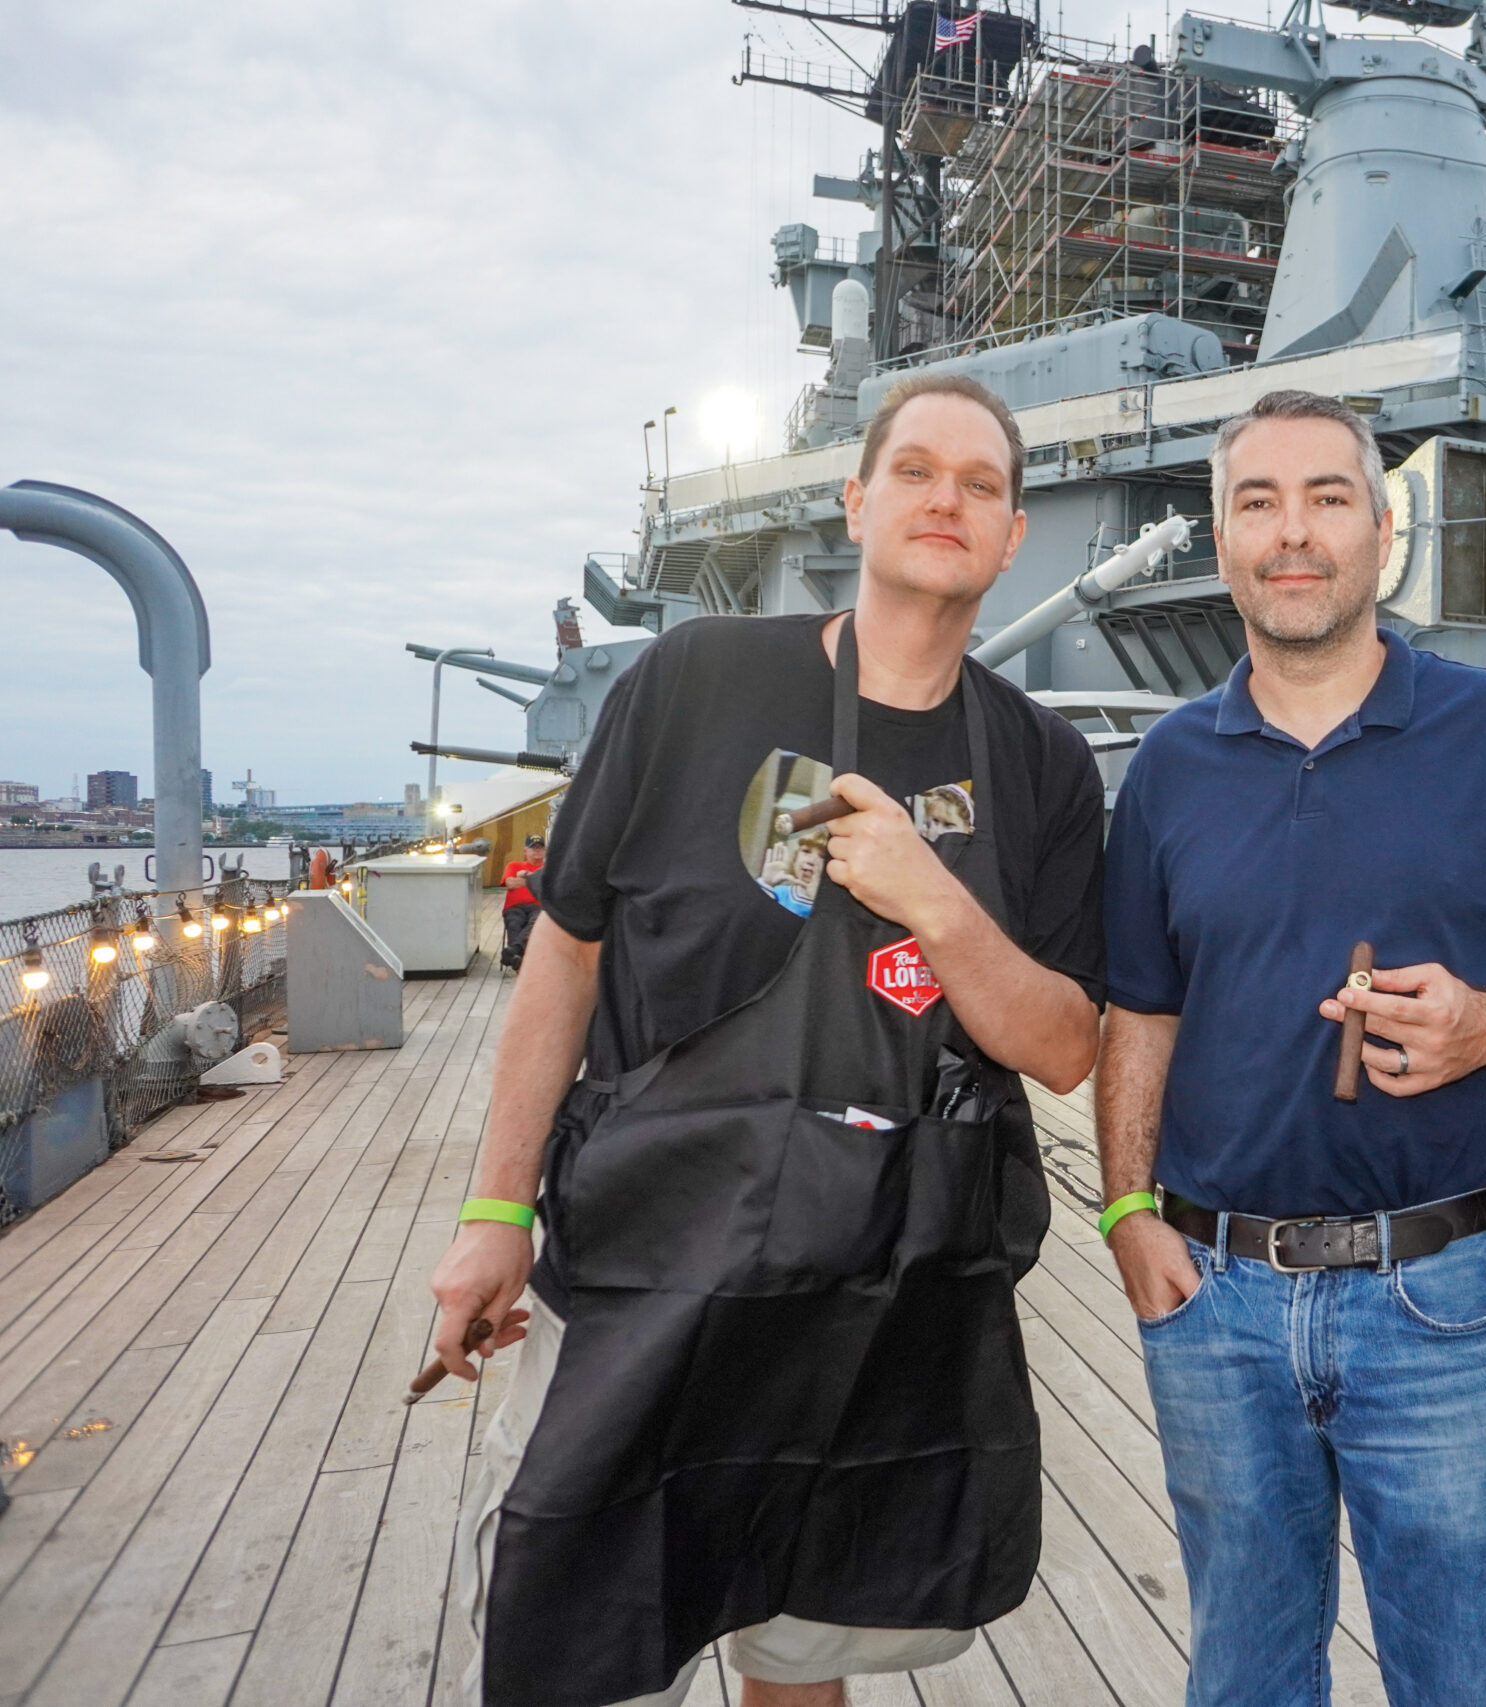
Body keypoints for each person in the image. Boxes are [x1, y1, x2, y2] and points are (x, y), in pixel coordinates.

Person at [428, 373, 1108, 1707]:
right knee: (568, 1634)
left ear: (1015, 533)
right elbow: (566, 951)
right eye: (916, 469)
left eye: (981, 483)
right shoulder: (694, 679)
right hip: (650, 1264)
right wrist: (496, 1206)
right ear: (857, 502)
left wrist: (929, 893)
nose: (946, 500)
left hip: (879, 1301)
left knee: (801, 1655)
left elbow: (1067, 1041)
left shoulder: (1041, 763)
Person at [1097, 389, 1486, 1706]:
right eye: (1258, 501)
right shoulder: (1167, 767)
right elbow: (1140, 1008)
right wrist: (1123, 1214)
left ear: (1383, 531)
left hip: (1444, 1295)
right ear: (1221, 542)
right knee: (1248, 1678)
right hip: (1217, 1299)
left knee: (1469, 1680)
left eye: (1329, 497)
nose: (1295, 532)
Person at [498, 835, 545, 970]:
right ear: (525, 851)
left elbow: (551, 885)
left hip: (538, 906)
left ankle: (513, 953)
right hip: (514, 907)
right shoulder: (514, 865)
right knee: (514, 923)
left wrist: (525, 878)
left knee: (536, 921)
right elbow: (510, 883)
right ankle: (518, 957)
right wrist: (535, 881)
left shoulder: (548, 867)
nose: (537, 852)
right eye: (533, 848)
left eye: (540, 848)